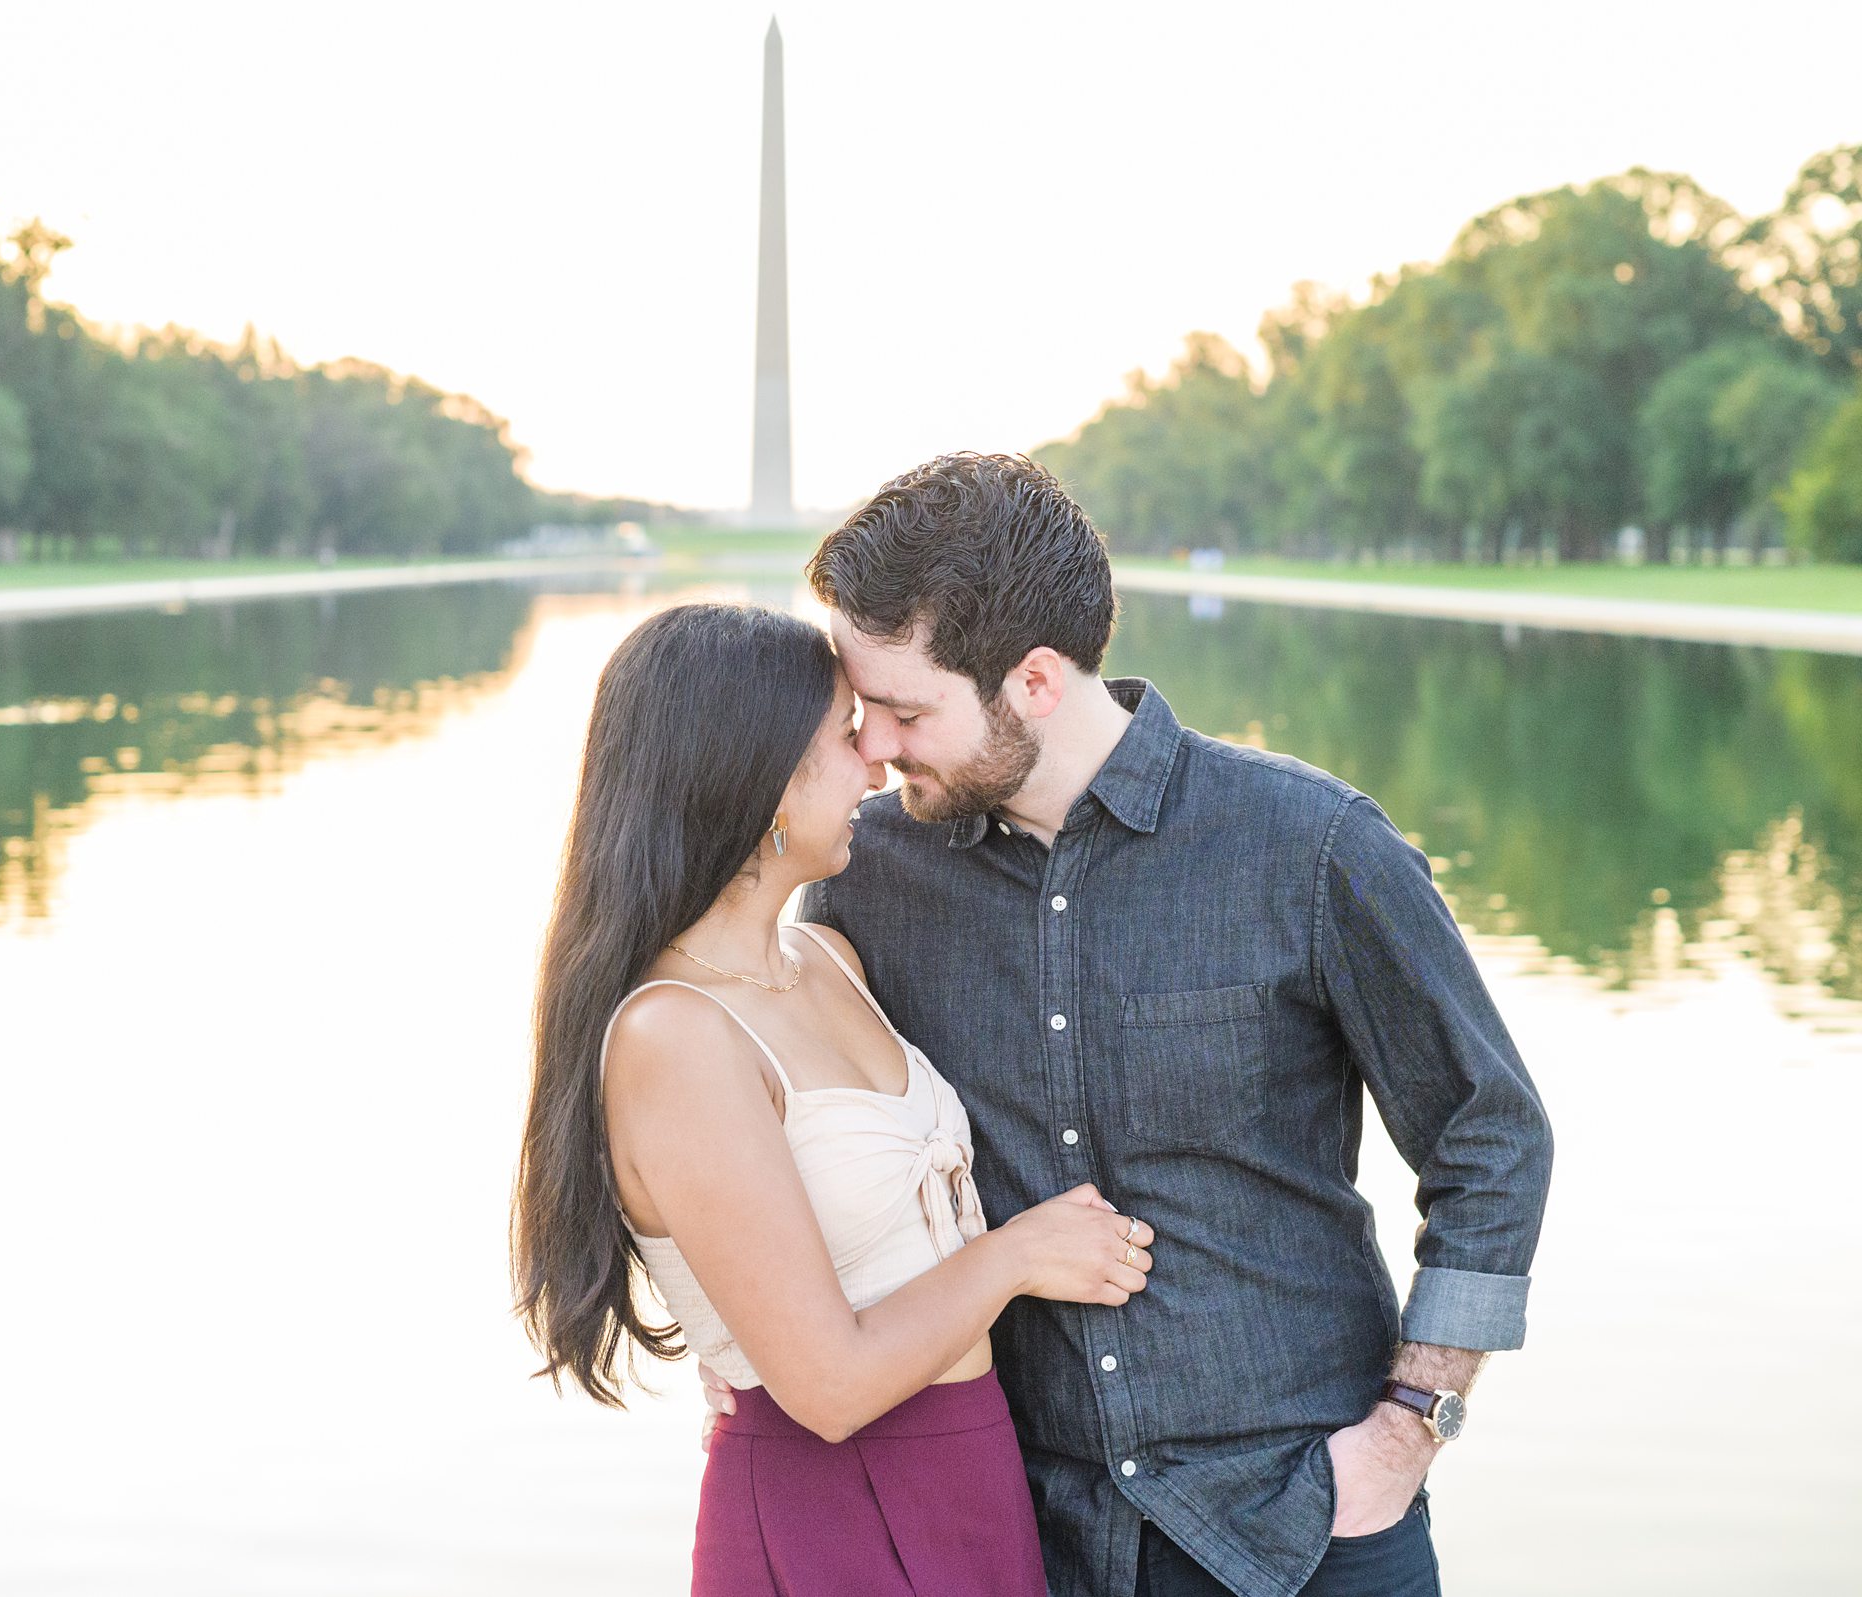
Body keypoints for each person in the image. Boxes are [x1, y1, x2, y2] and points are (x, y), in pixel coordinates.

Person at [698, 451, 1554, 1597]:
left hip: (1308, 1527)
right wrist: (737, 1326)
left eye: (907, 711)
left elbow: (1491, 1135)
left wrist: (1412, 1422)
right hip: (1023, 1535)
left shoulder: (1310, 845)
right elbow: (758, 1087)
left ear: (1037, 681)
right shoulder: (869, 877)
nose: (878, 750)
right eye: (866, 713)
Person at [513, 601, 1161, 1596]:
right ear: (760, 777)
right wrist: (1019, 1256)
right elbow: (826, 1385)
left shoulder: (826, 954)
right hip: (835, 1500)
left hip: (971, 1473)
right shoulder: (673, 1036)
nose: (875, 763)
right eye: (842, 738)